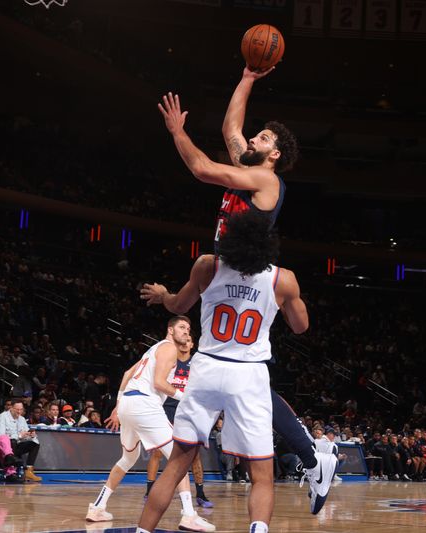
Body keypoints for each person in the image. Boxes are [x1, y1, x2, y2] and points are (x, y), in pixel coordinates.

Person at [158, 82, 334, 516]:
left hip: (248, 274)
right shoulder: (251, 163)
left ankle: (313, 457)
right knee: (244, 375)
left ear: (274, 154)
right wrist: (248, 75)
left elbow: (200, 167)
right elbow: (230, 126)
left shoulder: (262, 177)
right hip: (233, 269)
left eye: (264, 138)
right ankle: (314, 458)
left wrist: (177, 131)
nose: (253, 137)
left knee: (240, 368)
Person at [138, 210, 328, 533]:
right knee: (261, 476)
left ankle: (143, 531)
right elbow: (301, 327)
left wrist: (162, 295)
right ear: (268, 245)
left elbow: (178, 306)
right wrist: (284, 300)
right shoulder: (283, 279)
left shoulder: (207, 266)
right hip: (248, 374)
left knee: (174, 468)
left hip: (208, 367)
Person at [86, 317, 214, 531]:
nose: (186, 331)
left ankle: (98, 507)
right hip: (144, 403)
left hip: (129, 402)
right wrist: (185, 397)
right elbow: (159, 383)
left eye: (189, 329)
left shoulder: (152, 349)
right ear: (170, 329)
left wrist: (118, 406)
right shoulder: (169, 348)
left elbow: (128, 374)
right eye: (182, 327)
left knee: (128, 458)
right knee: (178, 457)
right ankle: (189, 515)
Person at [144, 337, 213, 508]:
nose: (186, 342)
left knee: (194, 455)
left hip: (188, 410)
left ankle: (201, 494)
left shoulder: (197, 363)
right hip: (167, 408)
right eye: (184, 339)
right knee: (158, 453)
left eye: (190, 340)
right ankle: (149, 491)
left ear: (192, 344)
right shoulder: (170, 360)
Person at [0, 400, 42, 482]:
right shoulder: (2, 417)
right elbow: (1, 436)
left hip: (18, 444)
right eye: (17, 409)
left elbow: (25, 433)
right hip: (6, 446)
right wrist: (19, 436)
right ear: (11, 408)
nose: (19, 412)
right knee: (12, 441)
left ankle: (28, 471)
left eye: (21, 409)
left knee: (35, 443)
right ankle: (10, 472)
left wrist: (31, 435)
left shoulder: (22, 419)